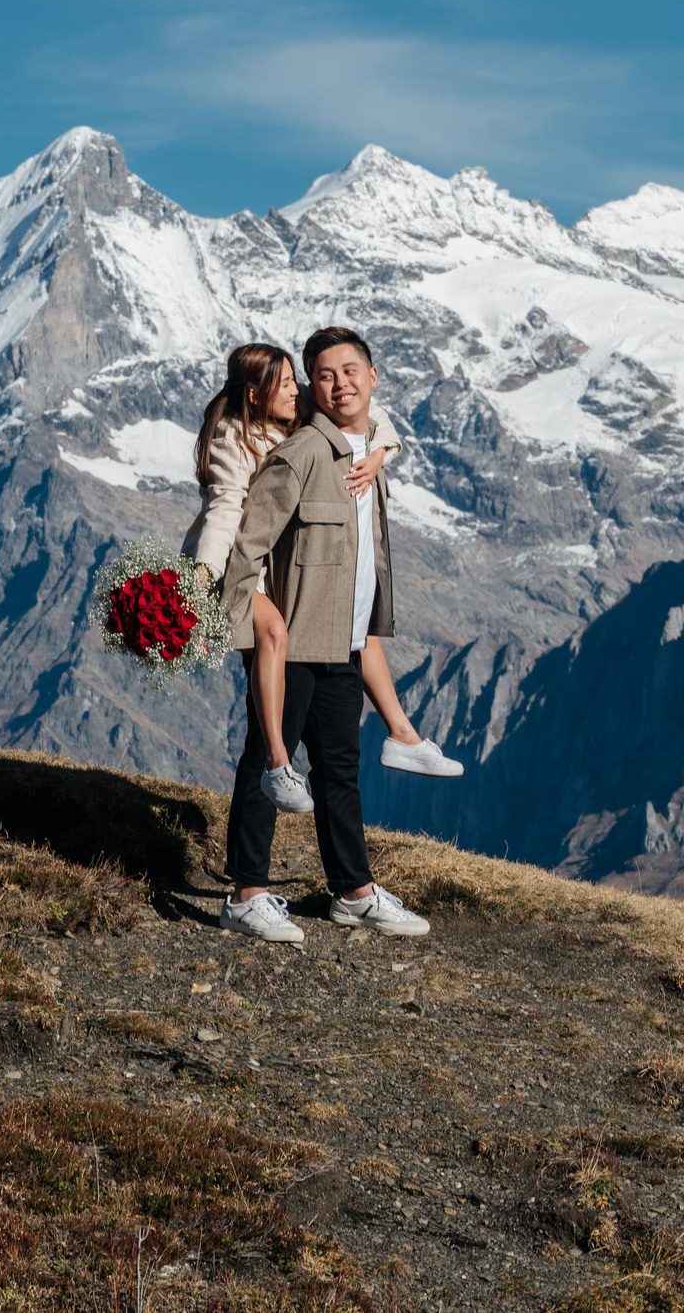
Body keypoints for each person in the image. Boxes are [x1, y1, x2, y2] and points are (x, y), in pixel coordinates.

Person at [214, 327, 435, 943]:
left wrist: (382, 452)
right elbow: (247, 541)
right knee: (267, 760)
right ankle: (245, 896)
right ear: (313, 385)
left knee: (341, 768)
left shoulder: (367, 452)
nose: (340, 384)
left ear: (372, 376)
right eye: (325, 376)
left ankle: (353, 892)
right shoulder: (302, 454)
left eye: (350, 371)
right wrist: (235, 623)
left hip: (344, 639)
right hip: (294, 639)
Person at [184, 345, 464, 819]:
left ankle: (402, 734)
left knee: (356, 627)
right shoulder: (234, 438)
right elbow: (226, 512)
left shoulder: (298, 411)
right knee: (275, 634)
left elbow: (374, 417)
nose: (297, 390)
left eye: (295, 380)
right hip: (233, 564)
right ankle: (277, 762)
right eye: (285, 384)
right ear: (254, 395)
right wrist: (203, 576)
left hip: (277, 565)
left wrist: (379, 455)